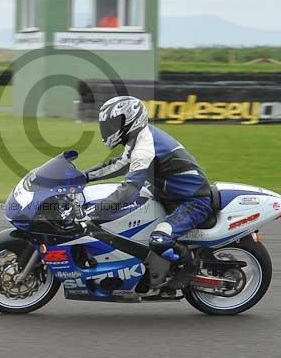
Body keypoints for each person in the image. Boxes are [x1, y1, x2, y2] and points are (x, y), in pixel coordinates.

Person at [84, 95, 212, 266]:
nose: (109, 129)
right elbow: (118, 164)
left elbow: (130, 190)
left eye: (114, 124)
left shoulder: (145, 146)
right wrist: (82, 176)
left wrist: (96, 212)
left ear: (130, 120)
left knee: (159, 240)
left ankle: (190, 265)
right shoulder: (139, 137)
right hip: (166, 196)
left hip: (191, 202)